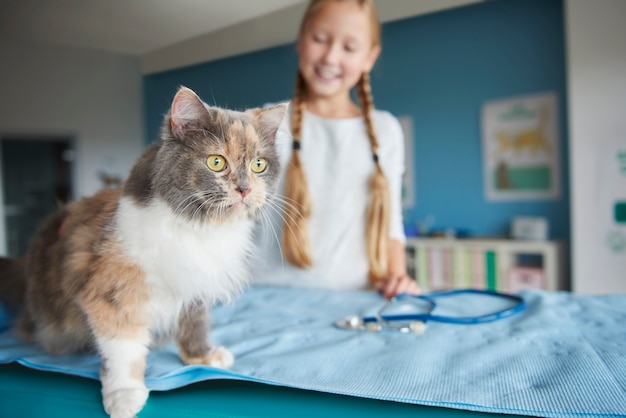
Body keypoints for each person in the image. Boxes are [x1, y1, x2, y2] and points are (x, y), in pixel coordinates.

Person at [253, 0, 420, 298]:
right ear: (301, 39)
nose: (330, 57)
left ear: (370, 57)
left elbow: (391, 221)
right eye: (319, 39)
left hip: (358, 299)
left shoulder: (387, 130)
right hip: (266, 295)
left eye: (350, 47)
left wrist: (398, 278)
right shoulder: (263, 122)